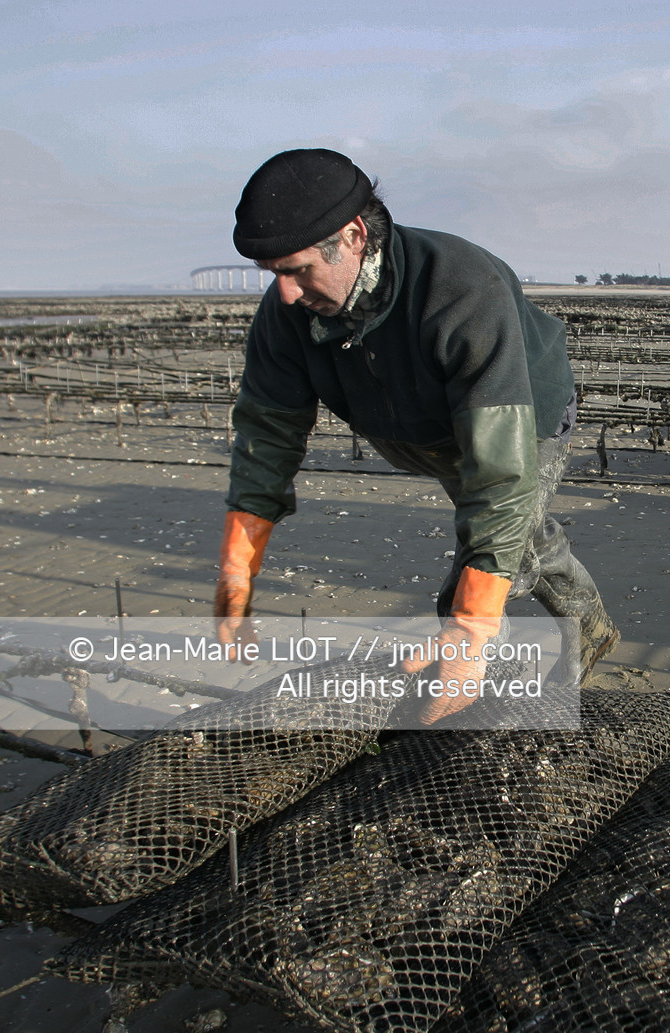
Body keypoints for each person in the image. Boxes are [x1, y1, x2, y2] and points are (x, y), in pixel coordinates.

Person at [215, 148, 618, 723]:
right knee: (521, 533)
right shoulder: (290, 313)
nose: (283, 292)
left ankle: (476, 713)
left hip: (522, 416)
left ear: (353, 236)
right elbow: (266, 434)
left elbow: (501, 475)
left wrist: (469, 628)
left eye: (297, 269)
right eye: (272, 272)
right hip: (430, 433)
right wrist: (238, 564)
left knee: (475, 578)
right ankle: (592, 627)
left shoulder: (459, 288)